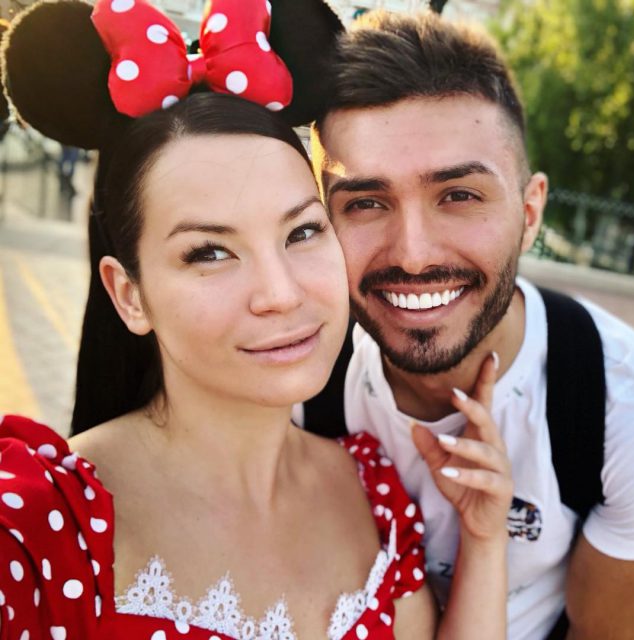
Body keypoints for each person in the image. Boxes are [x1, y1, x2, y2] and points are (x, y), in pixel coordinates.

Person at [0, 1, 513, 638]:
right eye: (209, 253)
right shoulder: (31, 528)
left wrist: (484, 539)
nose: (280, 293)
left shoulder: (376, 491)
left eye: (302, 232)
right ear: (129, 295)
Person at [306, 9, 634, 640]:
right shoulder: (290, 382)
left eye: (458, 195)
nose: (413, 254)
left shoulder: (622, 410)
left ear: (530, 212)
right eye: (366, 203)